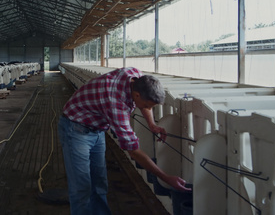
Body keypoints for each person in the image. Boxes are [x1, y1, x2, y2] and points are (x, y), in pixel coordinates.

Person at [58, 67, 190, 215]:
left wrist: (152, 125)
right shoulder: (116, 102)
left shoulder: (136, 77)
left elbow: (145, 103)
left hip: (97, 127)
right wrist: (165, 178)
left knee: (99, 182)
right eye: (147, 106)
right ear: (137, 95)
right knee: (81, 186)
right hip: (75, 128)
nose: (147, 108)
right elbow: (133, 151)